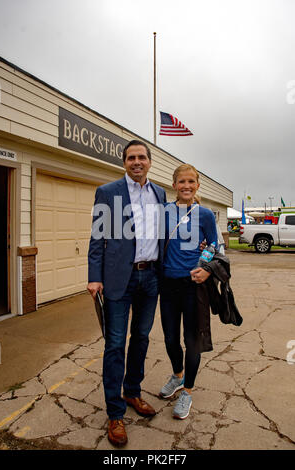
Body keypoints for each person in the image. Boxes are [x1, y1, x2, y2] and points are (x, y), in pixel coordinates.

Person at [87, 139, 166, 447]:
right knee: (115, 344)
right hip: (119, 279)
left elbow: (163, 234)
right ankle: (115, 412)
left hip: (151, 278)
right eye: (131, 157)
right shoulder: (108, 192)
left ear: (149, 161)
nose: (137, 162)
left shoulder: (159, 193)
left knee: (142, 338)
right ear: (124, 163)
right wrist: (95, 277)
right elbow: (97, 238)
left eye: (141, 157)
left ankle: (132, 391)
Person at [159, 164, 218, 419]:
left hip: (194, 286)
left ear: (197, 185)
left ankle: (188, 392)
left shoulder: (205, 215)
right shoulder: (164, 212)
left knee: (192, 341)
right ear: (174, 185)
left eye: (191, 182)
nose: (186, 186)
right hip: (168, 285)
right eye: (181, 182)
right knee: (170, 338)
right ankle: (178, 376)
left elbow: (215, 245)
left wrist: (204, 267)